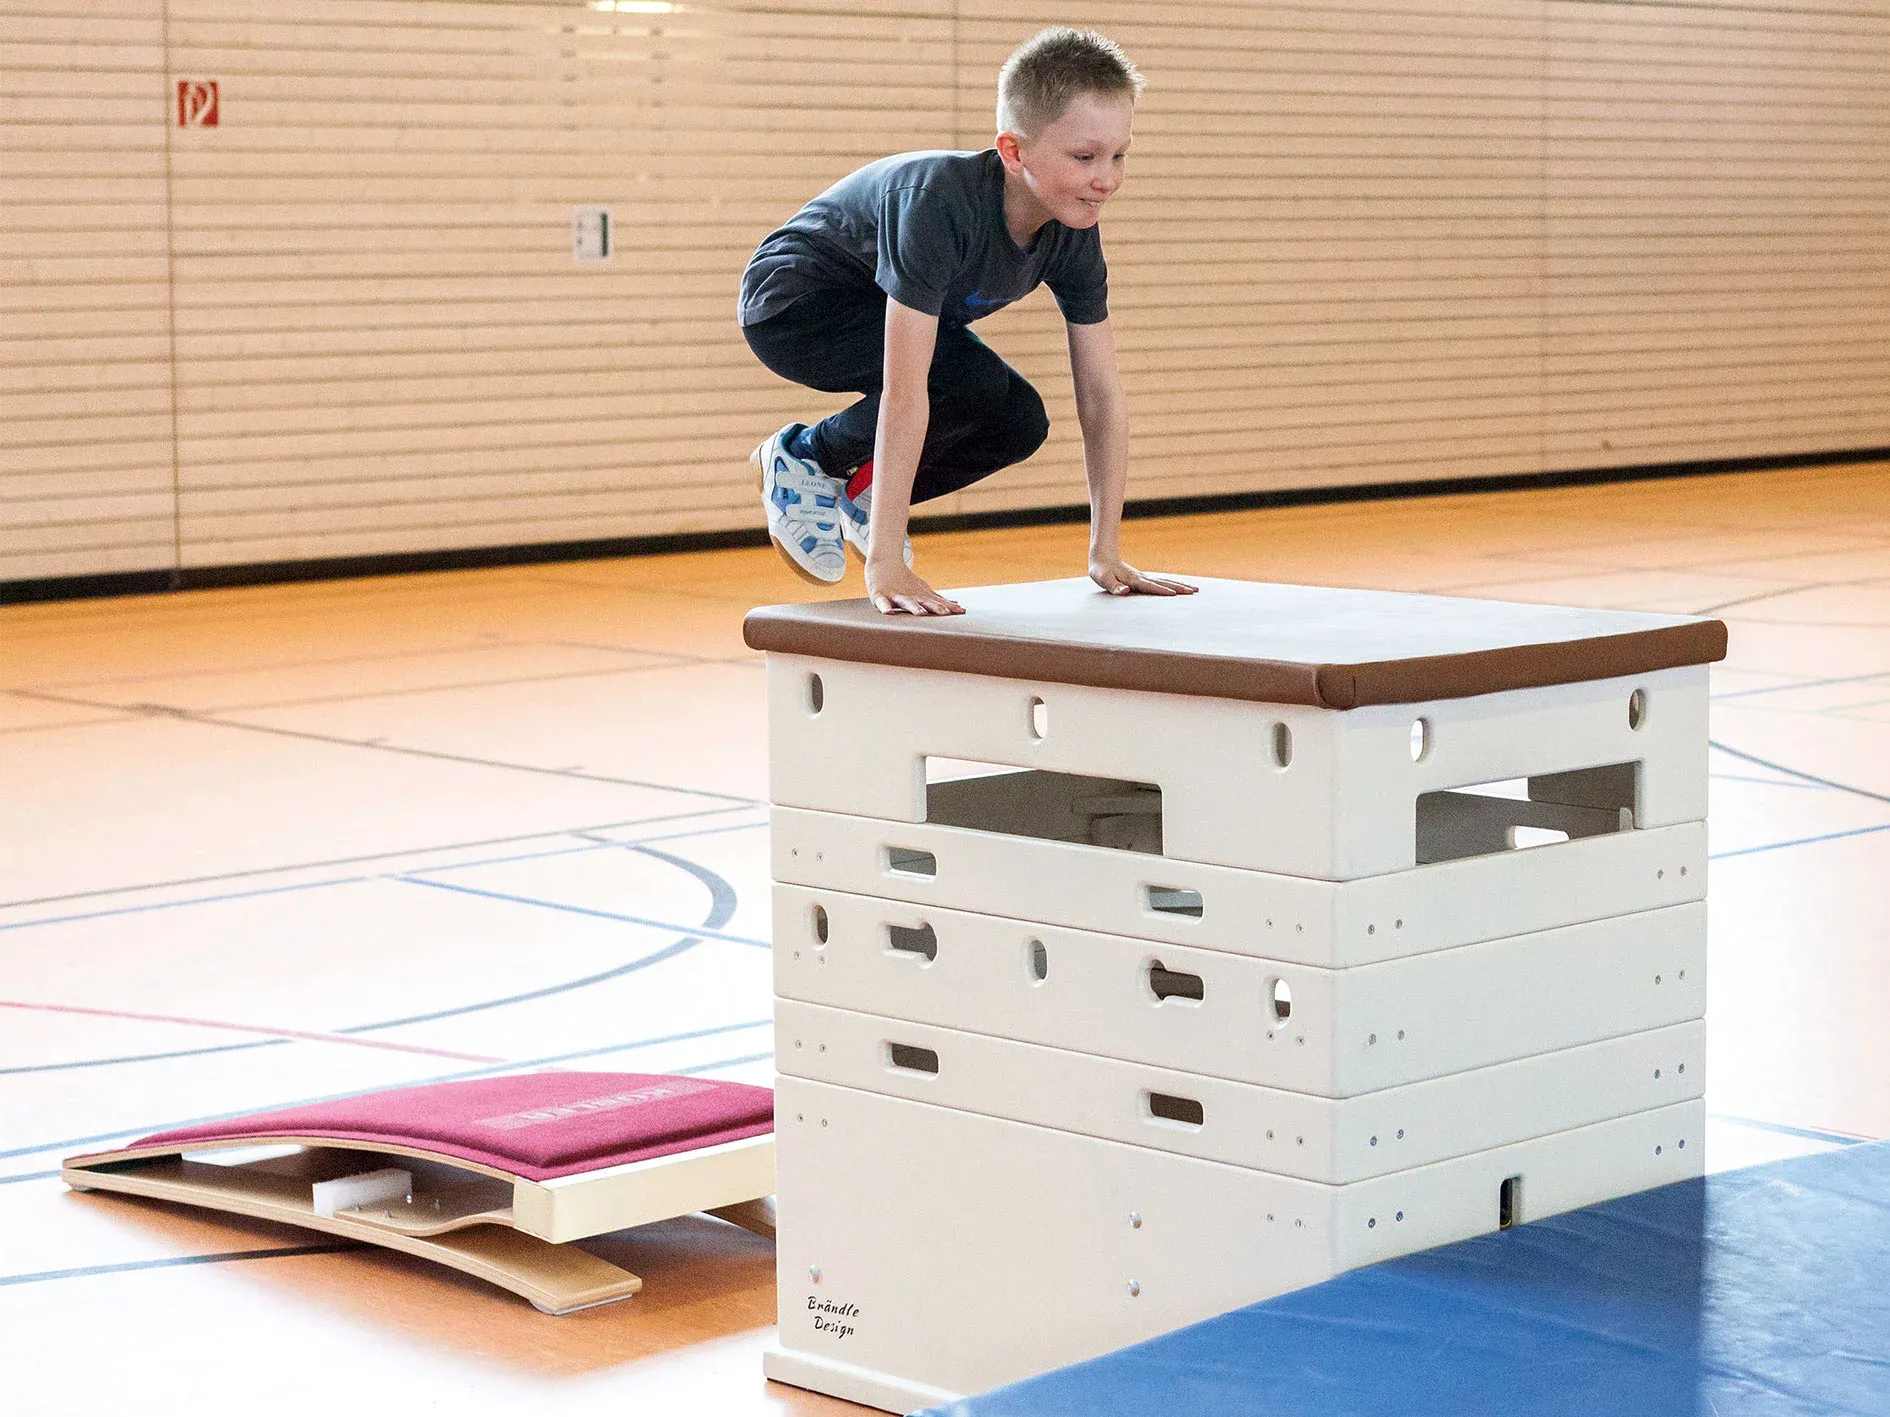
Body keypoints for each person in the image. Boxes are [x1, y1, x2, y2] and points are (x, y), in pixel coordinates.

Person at [738, 26, 1197, 616]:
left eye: (1119, 155)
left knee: (1019, 419)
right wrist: (887, 562)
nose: (1106, 178)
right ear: (1013, 151)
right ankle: (804, 453)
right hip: (794, 306)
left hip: (872, 310)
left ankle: (856, 495)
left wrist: (1104, 552)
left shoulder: (1073, 234)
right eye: (1084, 157)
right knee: (964, 383)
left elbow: (1102, 397)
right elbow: (906, 394)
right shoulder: (938, 203)